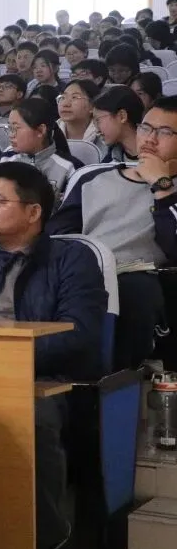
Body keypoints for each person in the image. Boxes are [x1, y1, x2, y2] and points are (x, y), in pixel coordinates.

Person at [0, 161, 107, 549]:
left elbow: (78, 335)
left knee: (29, 415)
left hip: (44, 379)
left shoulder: (72, 259)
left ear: (33, 212)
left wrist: (8, 363)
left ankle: (40, 535)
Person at [48, 95, 177, 370]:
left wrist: (162, 186)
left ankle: (118, 382)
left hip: (138, 280)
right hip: (81, 271)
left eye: (165, 132)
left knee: (135, 290)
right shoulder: (93, 178)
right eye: (146, 128)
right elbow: (58, 235)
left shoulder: (170, 191)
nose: (150, 139)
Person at [0, 98, 81, 200]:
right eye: (9, 128)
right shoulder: (5, 159)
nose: (11, 135)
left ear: (41, 130)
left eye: (16, 128)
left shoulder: (70, 168)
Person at [94, 86, 143, 163]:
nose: (97, 130)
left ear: (122, 116)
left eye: (98, 120)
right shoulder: (109, 160)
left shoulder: (158, 156)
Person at [58, 79, 104, 149]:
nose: (65, 104)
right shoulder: (49, 134)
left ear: (92, 106)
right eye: (63, 97)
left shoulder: (104, 135)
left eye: (74, 97)